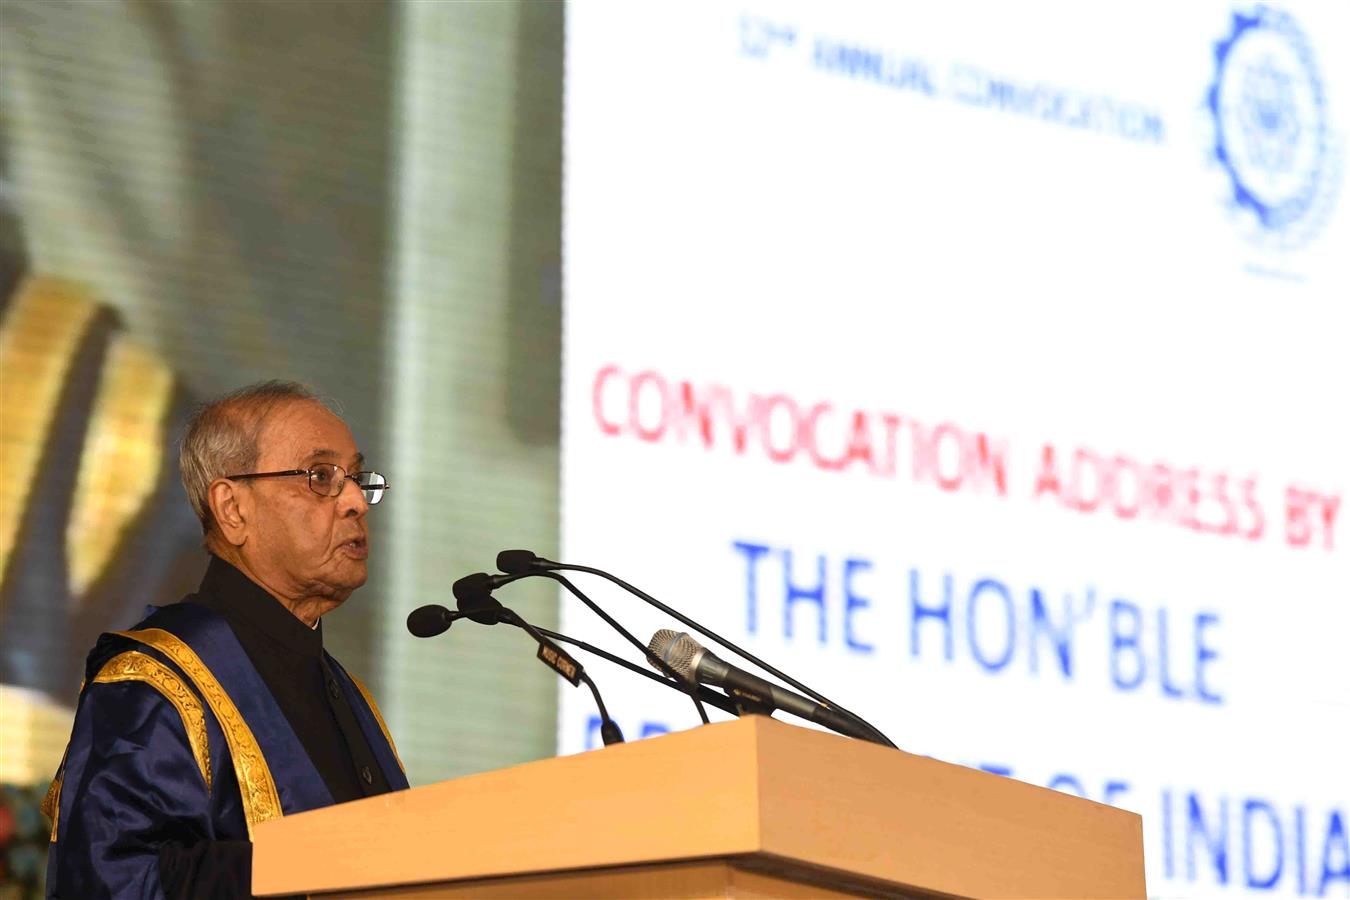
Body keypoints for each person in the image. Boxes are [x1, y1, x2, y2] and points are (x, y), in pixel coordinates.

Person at [43, 381, 408, 899]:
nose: (355, 501)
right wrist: (322, 864)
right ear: (233, 509)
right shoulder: (150, 687)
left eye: (355, 478)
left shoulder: (346, 692)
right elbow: (113, 881)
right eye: (321, 477)